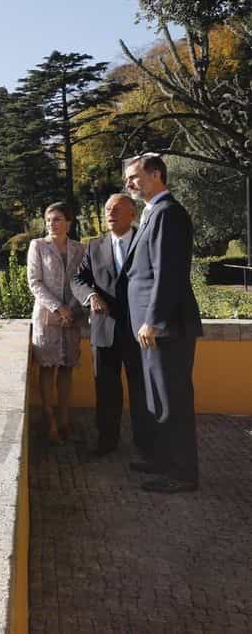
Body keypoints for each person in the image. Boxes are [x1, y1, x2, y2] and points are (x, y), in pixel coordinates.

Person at [122, 153, 202, 493]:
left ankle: (183, 474)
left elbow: (167, 274)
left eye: (134, 176)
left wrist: (153, 320)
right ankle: (162, 460)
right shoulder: (153, 213)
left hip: (165, 328)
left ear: (156, 174)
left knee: (173, 401)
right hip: (153, 330)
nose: (129, 184)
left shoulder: (168, 214)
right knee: (157, 398)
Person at [71, 194, 153, 459]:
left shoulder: (146, 240)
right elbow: (78, 279)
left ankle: (145, 443)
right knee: (106, 389)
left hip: (139, 330)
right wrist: (91, 296)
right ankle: (107, 440)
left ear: (132, 213)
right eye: (107, 209)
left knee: (141, 389)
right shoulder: (94, 246)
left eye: (117, 209)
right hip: (104, 329)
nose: (110, 213)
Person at [28, 202, 88, 444]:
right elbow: (35, 283)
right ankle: (49, 420)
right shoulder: (38, 246)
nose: (52, 223)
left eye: (57, 219)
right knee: (47, 368)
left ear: (69, 223)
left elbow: (83, 280)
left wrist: (72, 310)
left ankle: (65, 420)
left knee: (66, 368)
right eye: (49, 219)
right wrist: (58, 308)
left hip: (72, 317)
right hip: (47, 316)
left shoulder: (80, 249)